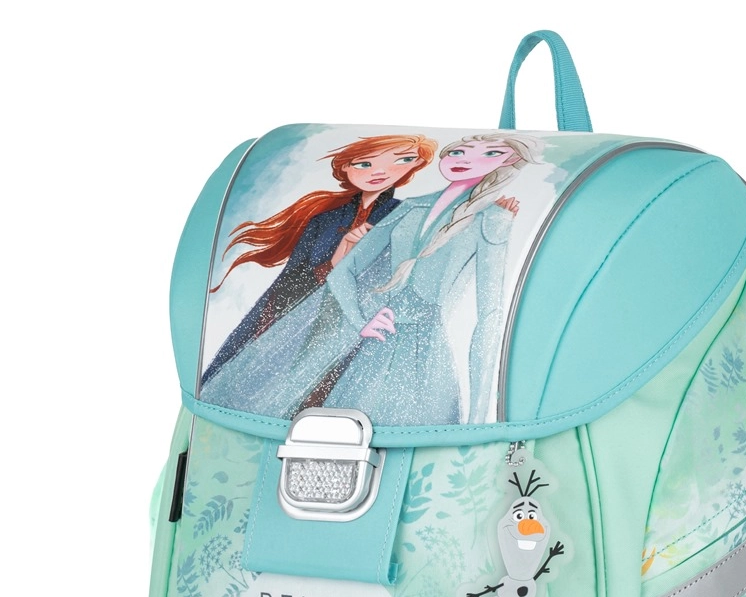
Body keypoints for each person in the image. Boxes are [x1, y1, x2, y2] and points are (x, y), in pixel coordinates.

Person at [201, 133, 543, 426]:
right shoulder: (407, 207)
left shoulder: (493, 219)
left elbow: (491, 315)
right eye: (457, 151)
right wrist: (360, 318)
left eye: (491, 153)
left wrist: (482, 414)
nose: (465, 159)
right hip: (366, 332)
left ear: (510, 161)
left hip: (422, 349)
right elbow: (343, 272)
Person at [200, 134, 437, 386]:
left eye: (402, 160)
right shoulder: (323, 221)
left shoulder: (406, 215)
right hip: (303, 321)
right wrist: (334, 262)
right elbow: (289, 281)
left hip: (366, 323)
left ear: (415, 164)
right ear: (345, 167)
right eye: (364, 164)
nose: (380, 171)